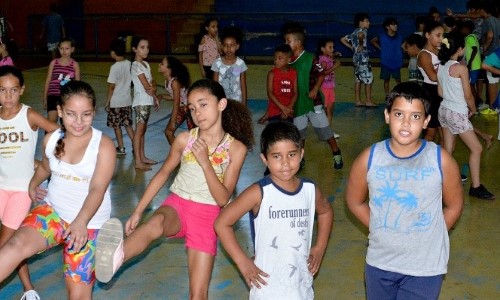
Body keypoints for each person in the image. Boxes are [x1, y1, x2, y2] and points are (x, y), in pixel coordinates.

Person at [94, 79, 254, 299]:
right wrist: (139, 210)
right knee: (155, 222)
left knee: (198, 294)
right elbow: (162, 174)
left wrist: (206, 163)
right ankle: (115, 258)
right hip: (178, 204)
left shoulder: (236, 148)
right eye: (192, 108)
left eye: (203, 104)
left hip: (207, 216)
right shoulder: (184, 139)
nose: (197, 113)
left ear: (222, 104)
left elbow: (222, 199)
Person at [346, 81, 464, 299]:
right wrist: (380, 226)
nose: (406, 123)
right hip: (380, 263)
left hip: (425, 268)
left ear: (427, 121)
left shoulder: (441, 160)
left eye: (416, 116)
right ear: (387, 115)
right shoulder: (369, 159)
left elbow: (454, 204)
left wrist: (430, 233)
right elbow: (354, 201)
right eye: (399, 114)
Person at [0, 80, 116, 299]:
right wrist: (33, 184)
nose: (79, 122)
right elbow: (45, 167)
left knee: (78, 295)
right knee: (14, 245)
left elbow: (98, 189)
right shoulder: (51, 140)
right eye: (72, 114)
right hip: (53, 213)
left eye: (87, 114)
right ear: (60, 111)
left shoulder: (103, 146)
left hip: (89, 223)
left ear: (93, 113)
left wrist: (81, 221)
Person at [215, 121, 333, 299]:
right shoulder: (259, 192)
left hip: (301, 288)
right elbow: (222, 223)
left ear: (301, 154)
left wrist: (319, 248)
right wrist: (242, 261)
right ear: (265, 159)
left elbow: (326, 211)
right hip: (267, 287)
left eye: (291, 154)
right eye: (277, 156)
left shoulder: (310, 190)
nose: (285, 163)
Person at [0, 66, 59, 300]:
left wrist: (44, 163)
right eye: (2, 90)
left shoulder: (29, 115)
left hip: (21, 191)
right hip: (0, 187)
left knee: (5, 245)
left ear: (22, 90)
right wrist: (34, 161)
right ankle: (29, 290)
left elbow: (56, 132)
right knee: (13, 245)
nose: (8, 96)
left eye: (13, 90)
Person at [437, 33, 495, 200]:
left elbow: (440, 91)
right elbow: (469, 95)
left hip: (444, 110)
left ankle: (442, 183)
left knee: (448, 149)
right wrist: (473, 109)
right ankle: (476, 187)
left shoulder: (441, 66)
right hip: (456, 112)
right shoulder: (461, 68)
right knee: (477, 149)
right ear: (460, 49)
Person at [284, 24, 343, 169]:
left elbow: (322, 74)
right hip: (298, 103)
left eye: (288, 41)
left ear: (297, 43)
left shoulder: (311, 58)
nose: (286, 44)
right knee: (300, 133)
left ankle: (336, 152)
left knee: (324, 130)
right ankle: (300, 158)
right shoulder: (288, 60)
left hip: (313, 102)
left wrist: (316, 88)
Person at [130, 35, 160, 171]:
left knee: (142, 131)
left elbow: (152, 82)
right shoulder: (136, 66)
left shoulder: (146, 64)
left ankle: (142, 157)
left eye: (147, 47)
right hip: (141, 102)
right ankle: (138, 161)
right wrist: (153, 90)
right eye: (142, 48)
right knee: (139, 131)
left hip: (146, 101)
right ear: (134, 49)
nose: (146, 50)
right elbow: (147, 86)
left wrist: (154, 94)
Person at [341, 13, 377, 107]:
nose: (369, 23)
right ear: (361, 22)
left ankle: (358, 100)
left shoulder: (354, 32)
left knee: (358, 79)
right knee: (368, 78)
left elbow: (343, 39)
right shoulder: (363, 30)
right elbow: (361, 35)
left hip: (356, 57)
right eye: (367, 21)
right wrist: (361, 44)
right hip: (363, 58)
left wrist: (352, 47)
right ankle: (368, 101)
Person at [105, 38, 134, 155]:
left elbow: (112, 87)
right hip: (127, 101)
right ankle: (135, 146)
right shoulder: (129, 64)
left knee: (117, 126)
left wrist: (108, 101)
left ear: (113, 53)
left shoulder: (114, 67)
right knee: (128, 125)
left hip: (116, 102)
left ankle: (121, 148)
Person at [158, 55, 194, 145]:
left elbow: (177, 102)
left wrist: (173, 120)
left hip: (189, 109)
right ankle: (179, 154)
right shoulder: (167, 80)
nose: (159, 65)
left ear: (169, 69)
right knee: (168, 132)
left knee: (195, 135)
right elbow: (176, 97)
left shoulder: (174, 82)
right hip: (182, 108)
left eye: (162, 64)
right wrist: (162, 96)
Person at [417, 20, 444, 142]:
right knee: (430, 132)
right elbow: (433, 77)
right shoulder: (424, 54)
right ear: (428, 35)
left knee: (444, 132)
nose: (441, 39)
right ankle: (422, 159)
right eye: (438, 35)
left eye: (442, 35)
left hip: (441, 91)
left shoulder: (439, 52)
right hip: (431, 93)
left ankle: (442, 159)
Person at [43, 37, 80, 124]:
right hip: (53, 96)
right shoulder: (53, 63)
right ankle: (50, 137)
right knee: (51, 121)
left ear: (72, 49)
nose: (64, 51)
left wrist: (77, 99)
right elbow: (48, 80)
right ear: (58, 49)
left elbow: (78, 84)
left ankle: (65, 138)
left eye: (67, 48)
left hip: (67, 97)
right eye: (61, 48)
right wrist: (45, 97)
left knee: (66, 122)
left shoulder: (74, 64)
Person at [258, 44, 297, 125]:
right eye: (275, 58)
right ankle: (268, 115)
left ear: (289, 60)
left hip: (288, 109)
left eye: (280, 58)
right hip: (275, 109)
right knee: (275, 132)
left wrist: (288, 109)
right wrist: (283, 108)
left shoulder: (294, 73)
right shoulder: (272, 74)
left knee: (287, 131)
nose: (276, 61)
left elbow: (295, 93)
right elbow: (270, 93)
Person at [212, 26, 248, 105]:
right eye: (226, 45)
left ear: (237, 46)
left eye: (232, 45)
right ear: (222, 46)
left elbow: (243, 85)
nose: (228, 48)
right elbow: (215, 85)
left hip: (236, 101)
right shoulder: (217, 63)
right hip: (221, 100)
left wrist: (244, 103)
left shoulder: (240, 64)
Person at [371, 17, 403, 97]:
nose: (395, 26)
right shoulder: (382, 36)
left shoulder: (400, 37)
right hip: (386, 62)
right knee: (386, 80)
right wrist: (380, 48)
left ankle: (401, 94)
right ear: (387, 26)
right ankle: (387, 95)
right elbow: (372, 41)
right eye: (393, 24)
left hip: (396, 62)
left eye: (396, 24)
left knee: (398, 80)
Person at [478, 3, 500, 110]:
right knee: (496, 81)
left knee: (491, 80)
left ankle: (492, 107)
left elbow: (490, 35)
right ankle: (496, 105)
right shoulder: (497, 20)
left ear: (483, 10)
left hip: (491, 53)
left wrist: (484, 49)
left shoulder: (487, 21)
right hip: (498, 53)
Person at [317, 37, 341, 128]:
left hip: (330, 87)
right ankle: (325, 130)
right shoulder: (323, 60)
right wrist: (334, 67)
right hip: (325, 88)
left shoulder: (327, 57)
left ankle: (328, 131)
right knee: (327, 111)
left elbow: (331, 58)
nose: (332, 49)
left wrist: (334, 55)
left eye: (333, 47)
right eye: (330, 47)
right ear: (323, 49)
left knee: (330, 110)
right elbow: (322, 73)